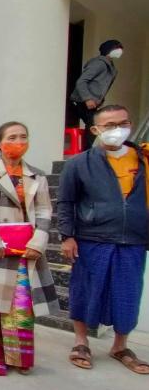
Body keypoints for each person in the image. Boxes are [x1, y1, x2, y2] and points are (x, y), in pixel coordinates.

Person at [0, 122, 60, 375]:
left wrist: (38, 242)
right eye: (12, 137)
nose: (18, 142)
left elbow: (44, 211)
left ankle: (18, 358)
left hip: (25, 250)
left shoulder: (37, 176)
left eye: (23, 137)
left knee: (20, 305)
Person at [60, 105, 149, 375]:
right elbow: (66, 202)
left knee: (128, 293)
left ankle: (120, 346)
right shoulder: (79, 164)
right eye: (109, 125)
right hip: (92, 237)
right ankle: (81, 341)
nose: (117, 129)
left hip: (133, 239)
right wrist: (67, 236)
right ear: (95, 129)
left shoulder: (143, 160)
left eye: (123, 123)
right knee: (84, 289)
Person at [69, 39, 123, 151]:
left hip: (92, 103)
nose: (120, 51)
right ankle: (87, 152)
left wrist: (100, 100)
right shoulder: (99, 63)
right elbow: (81, 81)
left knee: (95, 125)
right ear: (109, 50)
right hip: (81, 101)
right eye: (117, 48)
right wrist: (88, 99)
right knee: (95, 124)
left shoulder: (111, 67)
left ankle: (90, 150)